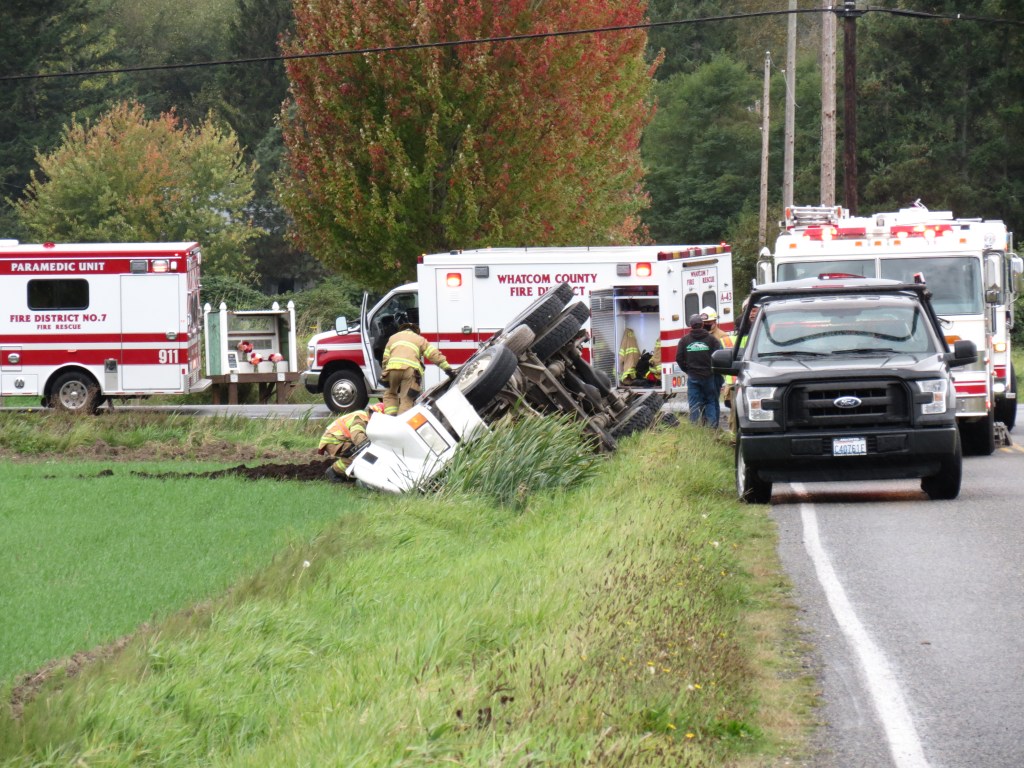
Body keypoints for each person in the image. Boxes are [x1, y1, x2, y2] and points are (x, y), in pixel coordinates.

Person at [381, 323, 455, 415]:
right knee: (406, 399)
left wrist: (385, 373)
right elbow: (433, 354)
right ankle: (400, 423)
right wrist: (447, 369)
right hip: (409, 372)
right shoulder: (419, 339)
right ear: (416, 331)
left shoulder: (393, 338)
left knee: (390, 394)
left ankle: (390, 418)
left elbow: (385, 359)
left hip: (391, 370)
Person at [676, 312, 722, 428]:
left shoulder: (684, 341)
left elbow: (679, 358)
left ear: (690, 326)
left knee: (694, 404)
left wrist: (687, 370)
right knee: (710, 401)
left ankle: (695, 430)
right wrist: (712, 369)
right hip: (708, 377)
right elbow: (719, 356)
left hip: (693, 377)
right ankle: (712, 429)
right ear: (702, 325)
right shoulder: (712, 340)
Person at [318, 403, 385, 482]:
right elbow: (357, 436)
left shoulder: (366, 418)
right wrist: (370, 448)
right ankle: (334, 471)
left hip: (338, 439)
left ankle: (347, 472)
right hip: (334, 441)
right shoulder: (361, 418)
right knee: (359, 456)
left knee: (361, 452)